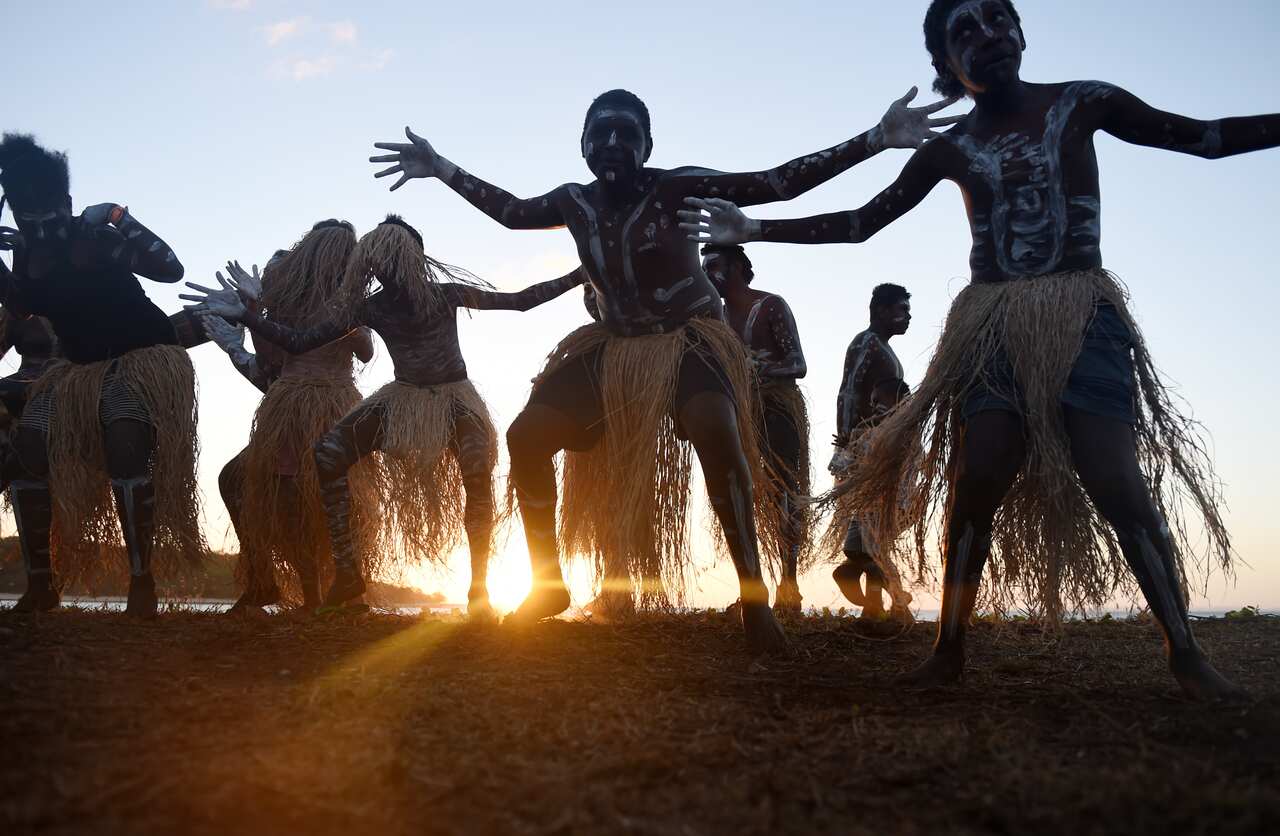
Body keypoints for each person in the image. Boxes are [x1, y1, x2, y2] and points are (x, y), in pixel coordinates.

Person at [678, 0, 1279, 697]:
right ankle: (947, 652)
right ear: (947, 65)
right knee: (976, 478)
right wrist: (757, 227)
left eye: (999, 19)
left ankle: (1187, 652)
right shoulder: (951, 148)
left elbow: (1202, 137)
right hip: (991, 325)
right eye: (966, 30)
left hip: (1081, 313)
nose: (988, 35)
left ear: (1022, 34)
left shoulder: (1082, 103)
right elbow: (862, 222)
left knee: (1114, 476)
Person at [367, 87, 958, 650]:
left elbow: (776, 184)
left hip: (689, 343)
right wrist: (441, 167)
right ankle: (547, 583)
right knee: (528, 436)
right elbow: (513, 213)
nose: (614, 142)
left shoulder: (676, 189)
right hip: (614, 347)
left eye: (629, 132)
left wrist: (876, 138)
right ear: (583, 146)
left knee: (714, 429)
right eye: (601, 132)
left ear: (648, 146)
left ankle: (756, 599)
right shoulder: (575, 202)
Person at [185, 215, 584, 618]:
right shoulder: (368, 306)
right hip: (401, 397)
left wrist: (581, 274)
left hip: (453, 398)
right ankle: (345, 575)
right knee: (327, 454)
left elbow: (520, 300)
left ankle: (479, 589)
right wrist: (251, 314)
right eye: (379, 259)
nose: (386, 267)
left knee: (477, 471)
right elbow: (299, 342)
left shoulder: (442, 295)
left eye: (395, 256)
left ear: (414, 259)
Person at [0, 133, 203, 617]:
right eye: (28, 219)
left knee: (125, 442)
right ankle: (41, 586)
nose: (39, 228)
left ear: (67, 204)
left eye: (47, 215)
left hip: (142, 358)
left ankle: (141, 584)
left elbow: (171, 270)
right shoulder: (27, 252)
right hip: (79, 371)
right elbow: (26, 306)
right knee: (29, 446)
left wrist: (119, 216)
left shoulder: (97, 238)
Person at [200, 221, 380, 613]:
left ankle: (343, 594)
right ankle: (275, 585)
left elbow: (366, 350)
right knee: (250, 483)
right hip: (288, 409)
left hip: (333, 409)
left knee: (329, 501)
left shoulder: (349, 300)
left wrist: (344, 310)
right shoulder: (285, 299)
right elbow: (270, 359)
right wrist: (250, 314)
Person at [702, 243, 811, 614]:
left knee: (783, 492)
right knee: (738, 494)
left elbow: (797, 363)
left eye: (714, 265)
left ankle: (789, 585)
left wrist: (754, 371)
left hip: (777, 409)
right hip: (739, 415)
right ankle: (751, 588)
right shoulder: (713, 317)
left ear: (737, 267)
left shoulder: (770, 305)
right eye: (704, 266)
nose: (707, 273)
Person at [825, 283, 914, 621]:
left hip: (881, 447)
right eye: (900, 310)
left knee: (879, 527)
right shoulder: (866, 344)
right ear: (880, 310)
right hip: (867, 449)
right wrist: (847, 443)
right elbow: (848, 392)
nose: (907, 317)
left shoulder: (882, 348)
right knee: (874, 528)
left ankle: (873, 598)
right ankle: (890, 602)